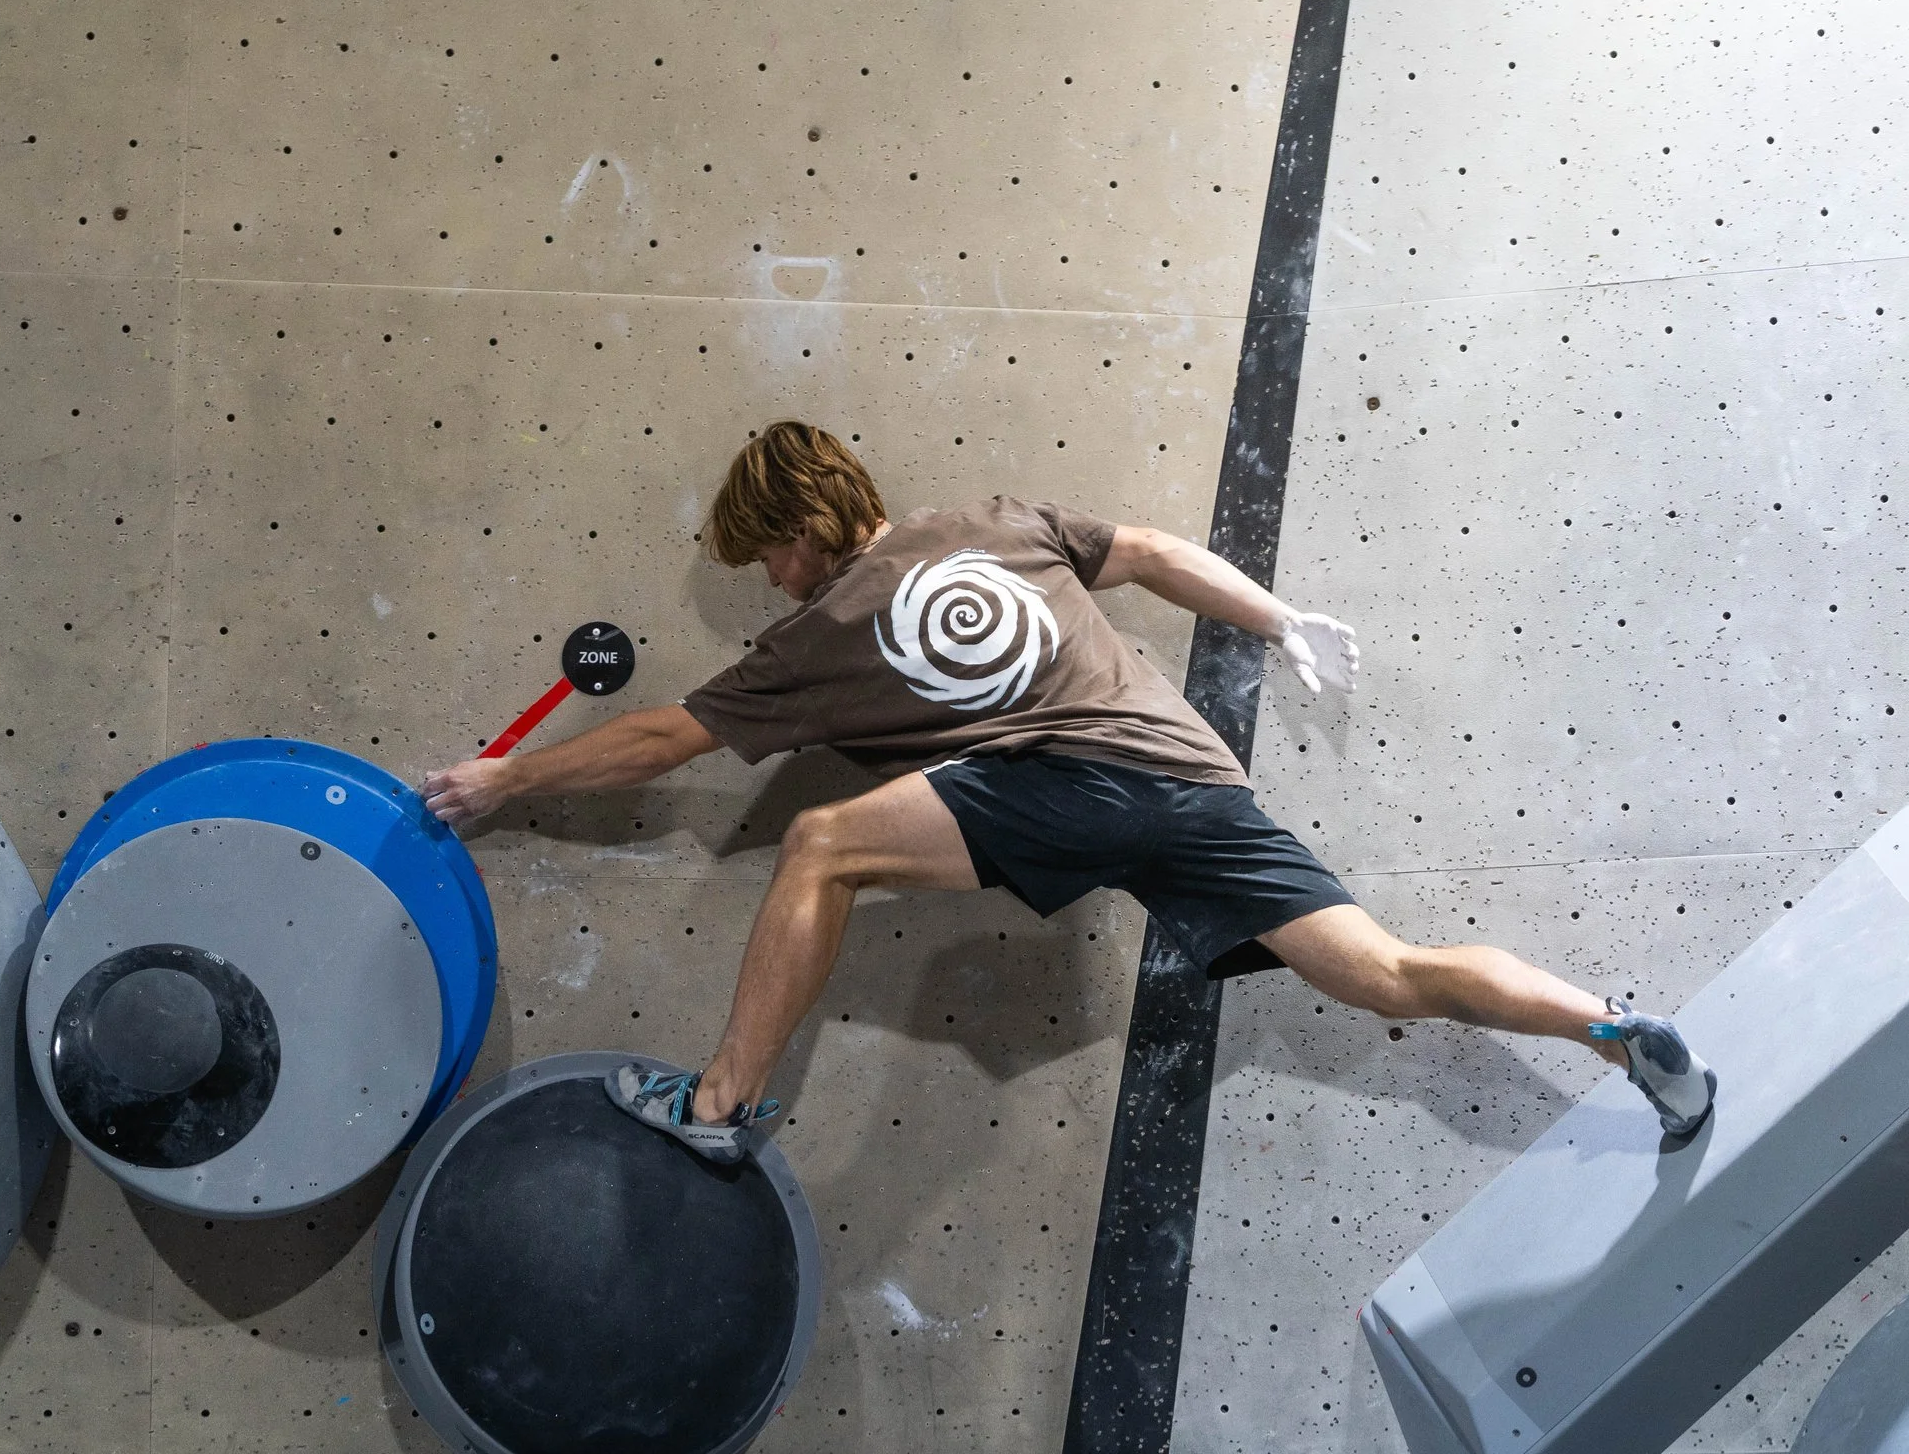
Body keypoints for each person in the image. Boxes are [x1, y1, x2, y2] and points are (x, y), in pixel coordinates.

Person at [419, 421, 1714, 1160]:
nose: (770, 578)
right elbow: (1144, 552)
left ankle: (717, 1108)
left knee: (817, 843)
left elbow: (663, 736)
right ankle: (1616, 1030)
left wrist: (508, 779)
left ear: (804, 519)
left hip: (1077, 774)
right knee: (1386, 970)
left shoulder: (820, 632)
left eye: (767, 549)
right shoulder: (994, 517)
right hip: (1198, 778)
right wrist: (1278, 618)